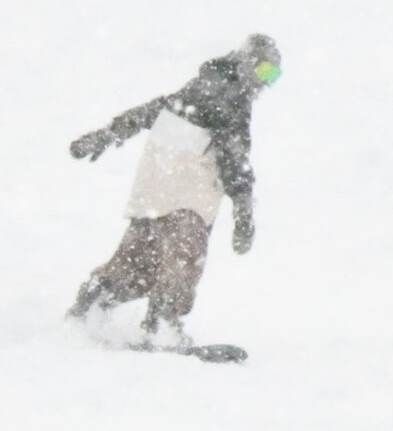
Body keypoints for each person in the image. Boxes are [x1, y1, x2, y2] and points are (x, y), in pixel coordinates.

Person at [66, 34, 283, 346]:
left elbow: (157, 109)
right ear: (247, 62)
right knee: (185, 253)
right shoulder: (232, 95)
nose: (266, 83)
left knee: (142, 259)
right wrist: (243, 207)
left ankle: (95, 301)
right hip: (187, 193)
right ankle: (163, 324)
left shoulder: (204, 83)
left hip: (154, 189)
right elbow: (234, 156)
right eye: (264, 72)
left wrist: (109, 133)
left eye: (274, 76)